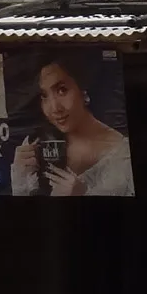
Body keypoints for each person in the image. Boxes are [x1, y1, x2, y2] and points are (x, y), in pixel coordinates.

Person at [10, 50, 135, 197]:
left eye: (62, 90)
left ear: (83, 91)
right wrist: (20, 177)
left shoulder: (122, 156)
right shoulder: (35, 144)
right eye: (44, 96)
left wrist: (83, 195)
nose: (55, 108)